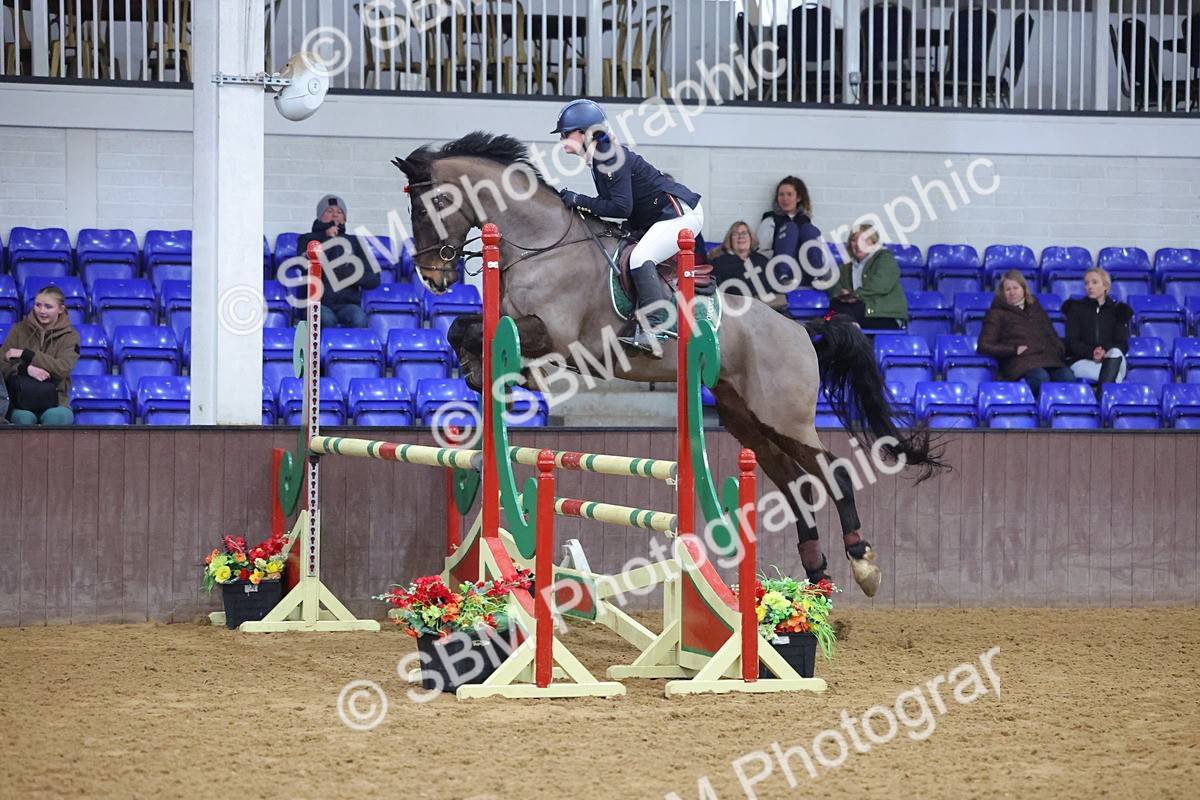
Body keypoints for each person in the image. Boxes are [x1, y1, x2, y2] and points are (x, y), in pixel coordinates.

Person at [552, 98, 704, 357]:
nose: (562, 139)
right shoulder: (600, 157)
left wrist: (579, 200)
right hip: (657, 217)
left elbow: (621, 208)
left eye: (567, 134)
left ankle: (656, 330)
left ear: (587, 133)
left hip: (678, 215)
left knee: (640, 257)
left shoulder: (609, 155)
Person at [977, 269, 1073, 398]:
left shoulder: (1036, 308)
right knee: (1040, 377)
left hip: (1049, 358)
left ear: (1023, 288)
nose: (1012, 292)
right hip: (1020, 361)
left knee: (1068, 378)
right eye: (1008, 289)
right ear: (1002, 293)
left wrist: (1057, 349)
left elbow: (1052, 335)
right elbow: (984, 345)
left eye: (1015, 288)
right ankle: (1030, 410)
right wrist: (1014, 350)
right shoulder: (996, 313)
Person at [297, 194, 380, 329]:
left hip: (348, 304)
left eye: (339, 212)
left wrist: (349, 274)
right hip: (317, 304)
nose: (335, 215)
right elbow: (305, 267)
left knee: (359, 318)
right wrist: (330, 240)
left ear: (345, 218)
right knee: (326, 320)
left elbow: (373, 279)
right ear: (319, 216)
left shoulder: (356, 242)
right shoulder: (307, 239)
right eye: (329, 211)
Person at [1, 285, 79, 425]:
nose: (42, 311)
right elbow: (2, 364)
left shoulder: (71, 336)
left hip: (56, 400)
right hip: (20, 399)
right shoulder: (19, 330)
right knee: (23, 419)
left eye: (48, 306)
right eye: (38, 305)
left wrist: (27, 354)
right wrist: (25, 369)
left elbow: (62, 368)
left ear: (61, 309)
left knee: (56, 417)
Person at [824, 224, 908, 330]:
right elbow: (833, 285)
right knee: (835, 305)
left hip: (884, 315)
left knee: (837, 314)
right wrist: (842, 295)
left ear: (874, 242)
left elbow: (881, 285)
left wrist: (855, 296)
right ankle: (849, 326)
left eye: (864, 239)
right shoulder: (845, 269)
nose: (858, 244)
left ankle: (849, 327)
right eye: (854, 240)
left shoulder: (885, 258)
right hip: (856, 313)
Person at [1062, 267, 1132, 396]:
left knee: (1115, 353)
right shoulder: (1076, 309)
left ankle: (1100, 398)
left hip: (1110, 359)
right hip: (1082, 360)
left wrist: (1105, 350)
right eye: (1087, 283)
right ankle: (1103, 400)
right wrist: (1091, 353)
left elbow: (1122, 344)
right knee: (1113, 377)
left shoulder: (1118, 311)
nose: (1089, 286)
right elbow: (1071, 342)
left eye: (1094, 282)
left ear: (1105, 285)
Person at [755, 176, 828, 288]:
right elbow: (761, 252)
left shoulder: (806, 221)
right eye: (781, 194)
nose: (785, 199)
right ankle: (782, 276)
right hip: (778, 271)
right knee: (790, 229)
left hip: (803, 271)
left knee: (809, 230)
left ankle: (817, 275)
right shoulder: (770, 220)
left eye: (789, 194)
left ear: (798, 198)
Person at [709, 221, 789, 314]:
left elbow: (777, 287)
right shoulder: (719, 262)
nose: (740, 237)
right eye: (736, 234)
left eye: (744, 233)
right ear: (730, 240)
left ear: (751, 238)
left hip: (765, 311)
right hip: (736, 311)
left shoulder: (762, 260)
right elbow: (716, 292)